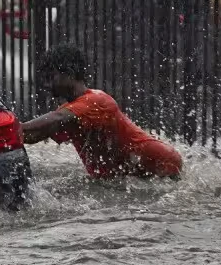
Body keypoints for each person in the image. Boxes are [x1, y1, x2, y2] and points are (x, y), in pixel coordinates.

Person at [20, 46, 182, 179]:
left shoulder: (96, 100)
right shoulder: (69, 112)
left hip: (160, 163)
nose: (47, 84)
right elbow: (34, 136)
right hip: (131, 172)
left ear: (69, 74)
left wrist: (18, 126)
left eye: (51, 77)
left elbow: (57, 118)